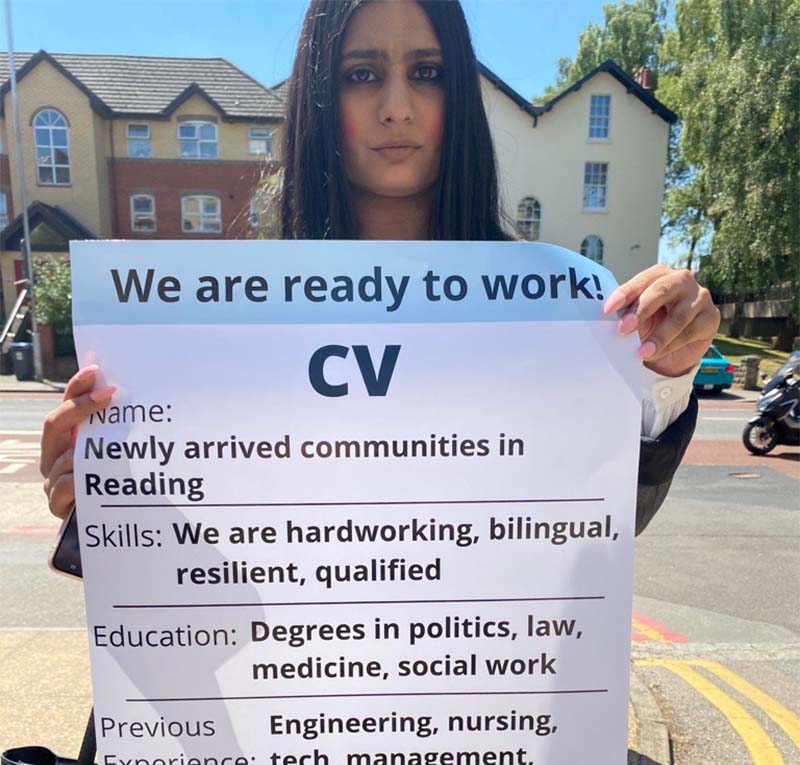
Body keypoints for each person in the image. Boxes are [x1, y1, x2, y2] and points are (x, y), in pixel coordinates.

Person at [39, 0, 719, 535]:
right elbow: (175, 586)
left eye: (427, 71)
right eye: (362, 74)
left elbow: (595, 534)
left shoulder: (558, 310)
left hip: (460, 694)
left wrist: (666, 372)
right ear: (320, 101)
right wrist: (102, 506)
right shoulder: (216, 317)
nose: (397, 105)